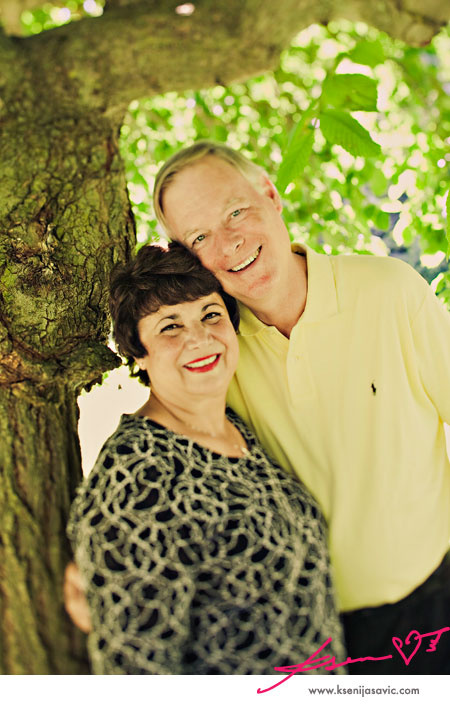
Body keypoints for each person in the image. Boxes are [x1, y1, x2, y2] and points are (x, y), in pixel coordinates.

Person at [152, 141, 450, 674]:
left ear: (270, 195)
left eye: (235, 211)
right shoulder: (216, 353)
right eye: (199, 237)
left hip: (435, 601)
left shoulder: (390, 292)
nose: (228, 243)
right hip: (305, 634)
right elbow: (163, 459)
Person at [67, 241, 346, 675]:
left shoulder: (239, 429)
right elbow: (137, 669)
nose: (199, 338)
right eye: (170, 326)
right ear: (138, 351)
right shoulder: (138, 472)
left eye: (211, 315)